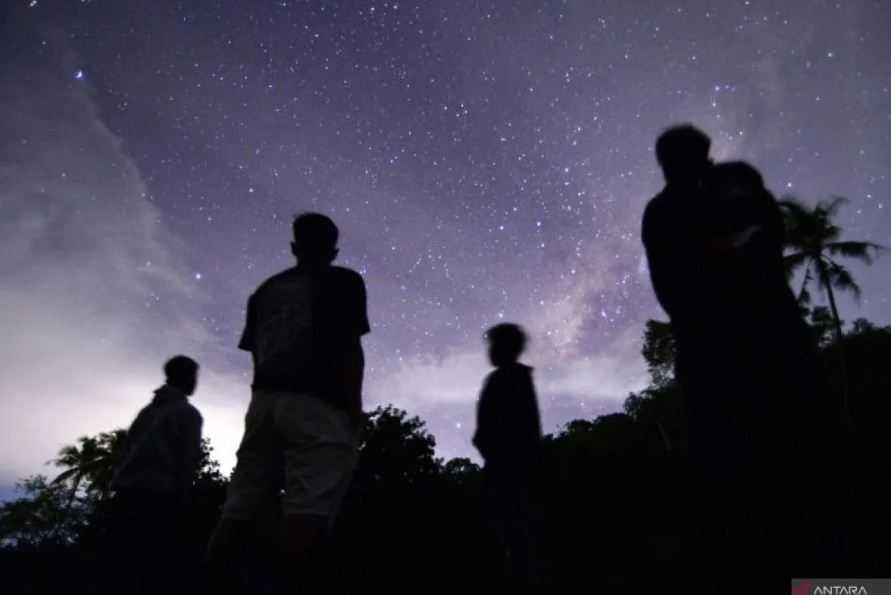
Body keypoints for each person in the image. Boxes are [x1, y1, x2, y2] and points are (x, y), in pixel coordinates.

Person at [642, 125, 843, 588]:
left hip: (768, 346)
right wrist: (726, 249)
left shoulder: (730, 182)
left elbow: (763, 238)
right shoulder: (664, 210)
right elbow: (675, 283)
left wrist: (716, 255)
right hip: (718, 359)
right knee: (740, 488)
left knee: (809, 468)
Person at [208, 212, 370, 595]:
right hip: (318, 403)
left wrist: (260, 405)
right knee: (308, 507)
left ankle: (209, 579)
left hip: (264, 401)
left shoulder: (264, 292)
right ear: (333, 248)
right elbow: (349, 347)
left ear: (294, 246)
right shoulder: (344, 281)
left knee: (241, 504)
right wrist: (353, 409)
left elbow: (256, 356)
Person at [109, 355, 203, 595]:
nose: (195, 382)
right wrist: (184, 502)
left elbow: (126, 451)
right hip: (158, 500)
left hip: (124, 496)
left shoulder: (147, 412)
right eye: (193, 376)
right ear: (185, 377)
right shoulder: (188, 414)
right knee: (153, 572)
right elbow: (186, 463)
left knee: (121, 571)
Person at [472, 323, 542, 594]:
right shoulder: (515, 379)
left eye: (494, 344)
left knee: (512, 536)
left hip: (508, 470)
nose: (489, 351)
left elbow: (519, 430)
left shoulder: (508, 380)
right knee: (513, 536)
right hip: (511, 468)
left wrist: (491, 449)